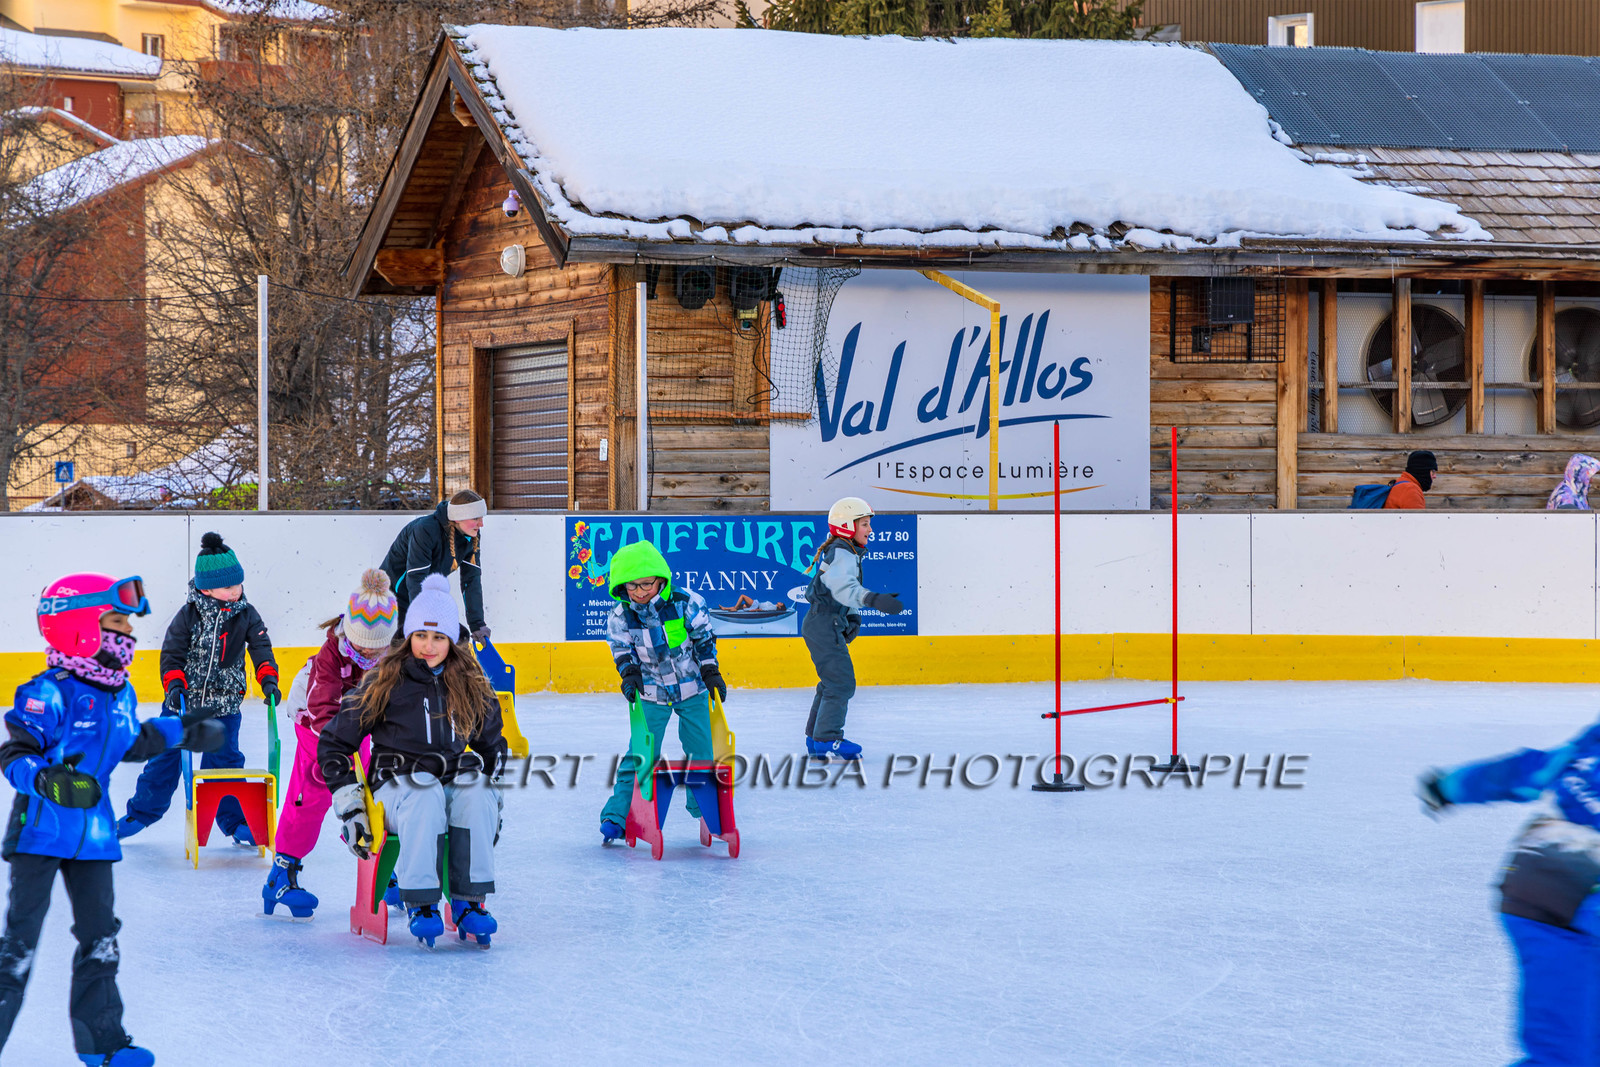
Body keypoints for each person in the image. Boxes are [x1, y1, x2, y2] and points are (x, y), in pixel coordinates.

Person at [0, 573, 224, 1066]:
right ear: (78, 625)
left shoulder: (118, 693)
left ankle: (102, 1042)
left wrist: (180, 731)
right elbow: (14, 754)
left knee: (100, 938)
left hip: (95, 837)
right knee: (19, 944)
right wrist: (47, 780)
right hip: (40, 831)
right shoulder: (47, 692)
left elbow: (130, 742)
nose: (128, 634)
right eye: (116, 622)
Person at [321, 573, 505, 948]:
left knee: (474, 790)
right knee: (424, 794)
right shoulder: (384, 680)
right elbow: (334, 742)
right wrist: (350, 804)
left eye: (439, 637)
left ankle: (469, 901)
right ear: (408, 636)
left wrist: (492, 795)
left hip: (449, 778)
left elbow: (492, 743)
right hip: (396, 787)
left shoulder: (469, 682)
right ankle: (421, 902)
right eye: (421, 635)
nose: (428, 645)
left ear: (452, 640)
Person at [1419, 719, 1600, 1064]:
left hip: (1528, 886)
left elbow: (1523, 773)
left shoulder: (1589, 748)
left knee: (1570, 1047)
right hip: (1574, 903)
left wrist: (1450, 787)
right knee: (1565, 1054)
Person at [117, 533, 280, 843]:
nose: (236, 591)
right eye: (228, 587)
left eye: (238, 585)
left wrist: (268, 679)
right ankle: (140, 813)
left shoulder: (246, 614)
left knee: (227, 766)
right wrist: (175, 685)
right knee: (164, 760)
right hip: (183, 706)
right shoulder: (188, 615)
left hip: (226, 707)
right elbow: (172, 654)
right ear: (206, 588)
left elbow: (261, 646)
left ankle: (234, 823)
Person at [261, 569, 397, 919]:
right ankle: (282, 872)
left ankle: (385, 868)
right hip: (316, 723)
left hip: (359, 723)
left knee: (377, 788)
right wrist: (339, 753)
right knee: (317, 790)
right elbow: (322, 708)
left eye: (378, 644)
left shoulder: (391, 655)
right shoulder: (331, 655)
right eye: (363, 642)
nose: (369, 650)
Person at [598, 541, 723, 845]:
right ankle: (618, 816)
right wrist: (628, 674)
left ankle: (705, 809)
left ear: (661, 579)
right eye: (632, 586)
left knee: (701, 750)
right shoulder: (620, 615)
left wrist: (710, 671)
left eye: (646, 584)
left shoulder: (686, 602)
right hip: (651, 690)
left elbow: (704, 640)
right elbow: (621, 650)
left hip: (691, 687)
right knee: (640, 754)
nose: (639, 592)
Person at [803, 498, 905, 762]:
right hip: (823, 624)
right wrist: (873, 600)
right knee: (841, 682)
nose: (870, 530)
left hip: (825, 622)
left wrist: (853, 617)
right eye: (865, 524)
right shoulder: (842, 552)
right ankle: (827, 738)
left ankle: (815, 739)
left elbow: (842, 590)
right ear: (848, 526)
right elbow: (844, 588)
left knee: (832, 681)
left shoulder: (845, 551)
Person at [381, 489, 488, 641]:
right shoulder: (425, 529)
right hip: (392, 599)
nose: (481, 524)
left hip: (424, 597)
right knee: (404, 650)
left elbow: (471, 581)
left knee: (459, 638)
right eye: (476, 518)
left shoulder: (471, 535)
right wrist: (422, 620)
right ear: (458, 518)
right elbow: (416, 579)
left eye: (482, 518)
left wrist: (477, 624)